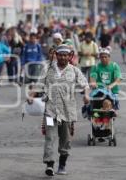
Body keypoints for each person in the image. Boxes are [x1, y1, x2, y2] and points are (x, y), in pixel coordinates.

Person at [29, 44, 90, 176]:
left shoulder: (74, 71)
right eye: (60, 55)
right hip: (50, 111)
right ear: (56, 55)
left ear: (69, 57)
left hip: (67, 113)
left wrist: (86, 95)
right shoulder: (48, 69)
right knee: (50, 137)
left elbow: (85, 84)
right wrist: (31, 96)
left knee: (65, 139)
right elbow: (39, 84)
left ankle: (62, 164)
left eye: (65, 55)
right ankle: (50, 164)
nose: (63, 57)